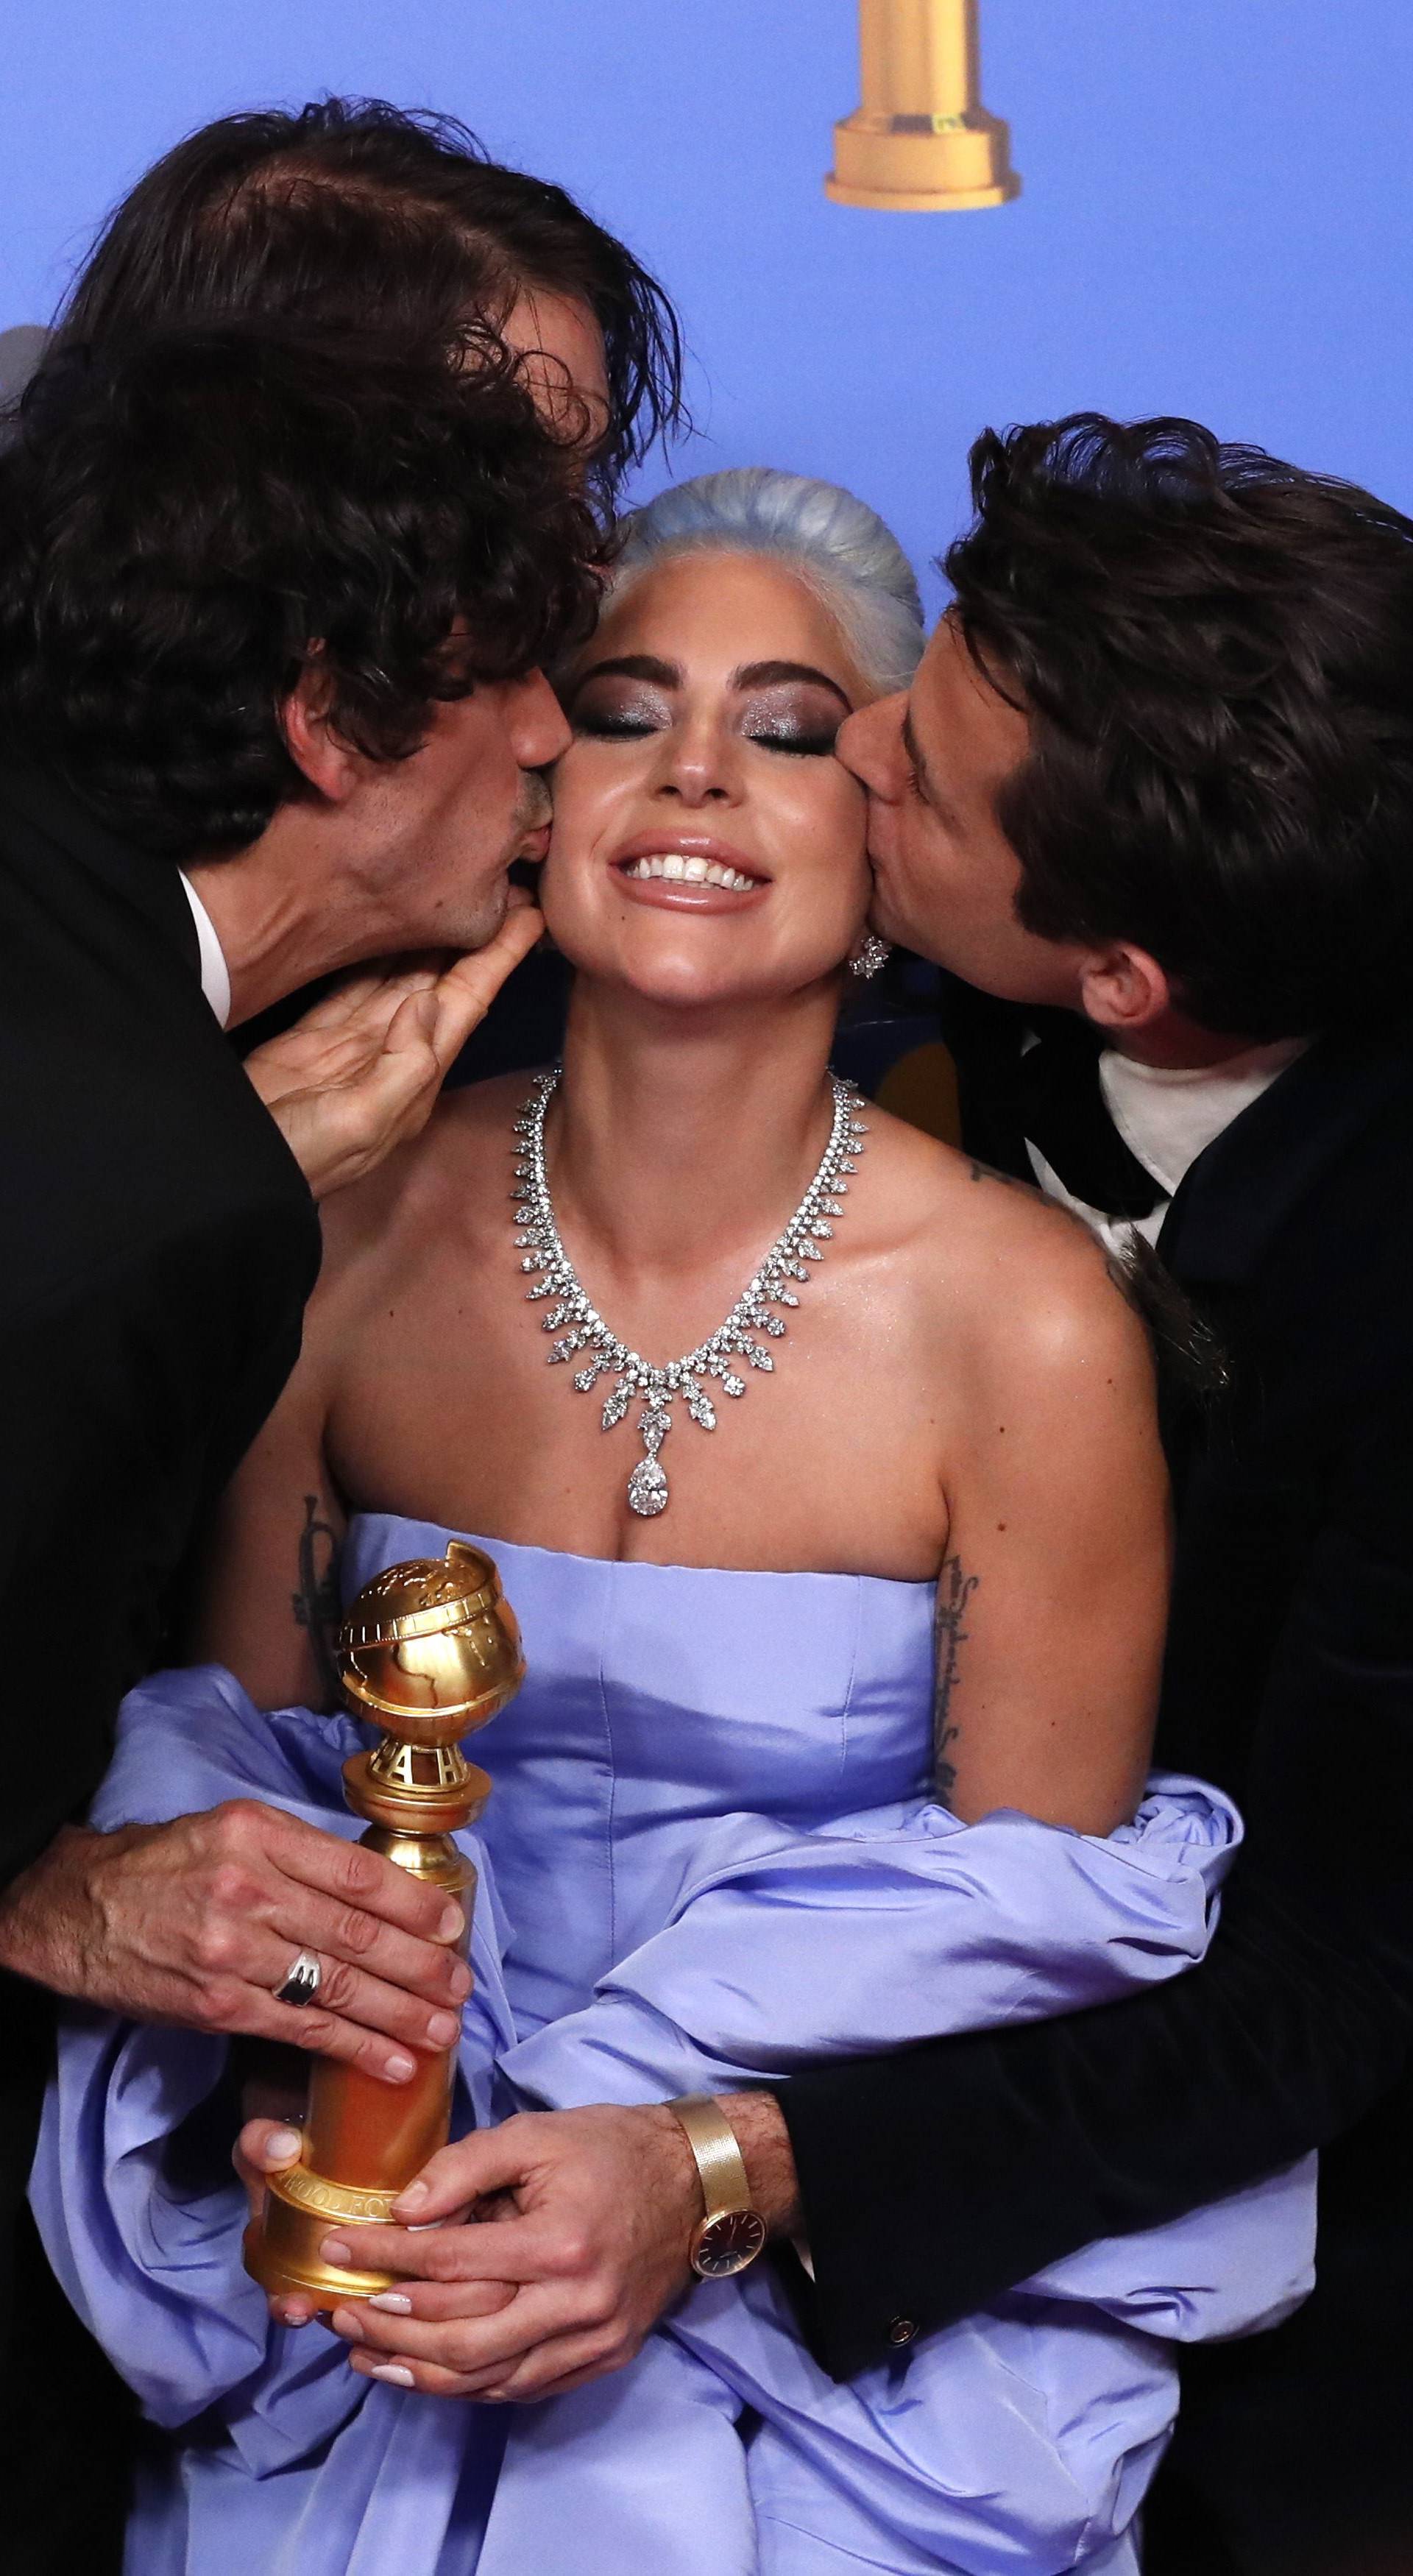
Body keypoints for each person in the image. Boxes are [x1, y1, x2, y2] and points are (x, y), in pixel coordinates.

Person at [37, 470, 1314, 2575]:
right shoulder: (333, 1238)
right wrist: (313, 2092)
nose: (700, 767)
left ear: (890, 843)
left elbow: (1034, 1946)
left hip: (818, 2331)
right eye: (626, 706)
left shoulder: (1036, 1327)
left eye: (796, 725)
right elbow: (234, 1771)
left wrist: (662, 2158)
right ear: (539, 788)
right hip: (369, 2276)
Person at [0, 300, 606, 2569]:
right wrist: (55, 1890)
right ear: (330, 721)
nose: (559, 734)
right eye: (518, 676)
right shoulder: (152, 1212)